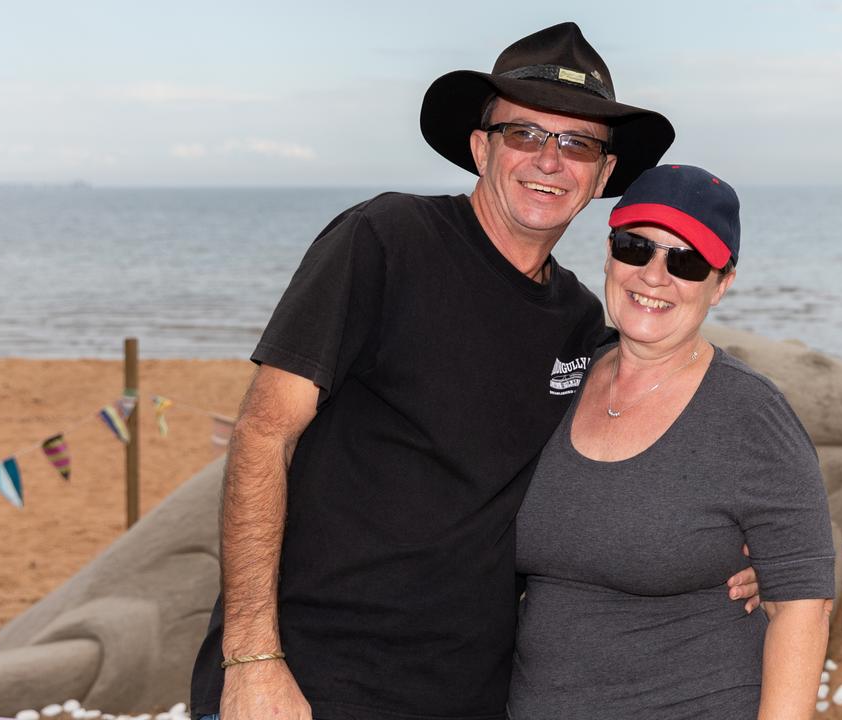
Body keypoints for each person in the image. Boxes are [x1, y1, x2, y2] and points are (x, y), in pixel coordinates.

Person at [189, 23, 761, 720]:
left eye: (577, 143)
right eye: (525, 134)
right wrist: (251, 658)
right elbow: (261, 435)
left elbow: (658, 421)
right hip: (308, 678)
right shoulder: (385, 241)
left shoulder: (580, 323)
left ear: (604, 175)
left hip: (471, 694)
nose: (550, 161)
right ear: (480, 146)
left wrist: (751, 541)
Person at [509, 165, 835, 718]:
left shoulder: (750, 414)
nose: (654, 276)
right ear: (609, 254)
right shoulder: (559, 379)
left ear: (722, 282)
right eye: (636, 247)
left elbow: (803, 606)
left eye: (685, 260)